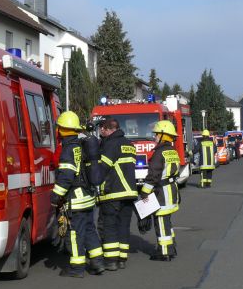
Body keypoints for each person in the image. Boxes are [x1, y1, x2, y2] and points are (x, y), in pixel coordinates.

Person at [50, 111, 104, 278]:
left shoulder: (68, 149)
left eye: (59, 127)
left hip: (76, 200)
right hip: (87, 196)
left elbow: (66, 176)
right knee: (89, 230)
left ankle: (77, 268)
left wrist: (55, 196)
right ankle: (97, 262)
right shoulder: (79, 145)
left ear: (63, 129)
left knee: (75, 233)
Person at [97, 118, 138, 271]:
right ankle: (122, 259)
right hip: (129, 193)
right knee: (124, 226)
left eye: (102, 129)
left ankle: (111, 260)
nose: (101, 132)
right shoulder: (129, 145)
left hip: (113, 193)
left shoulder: (110, 144)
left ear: (108, 129)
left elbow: (103, 169)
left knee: (110, 227)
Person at [140, 120, 180, 261]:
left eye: (156, 134)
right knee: (167, 221)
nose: (154, 137)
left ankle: (164, 252)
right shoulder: (172, 151)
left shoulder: (159, 153)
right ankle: (171, 247)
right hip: (172, 190)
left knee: (161, 222)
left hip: (162, 192)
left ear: (164, 135)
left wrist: (144, 192)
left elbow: (153, 176)